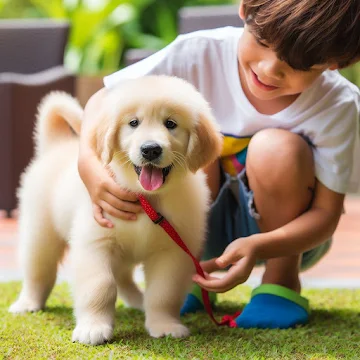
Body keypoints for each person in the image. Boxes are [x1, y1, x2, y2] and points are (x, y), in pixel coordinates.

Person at [78, 0, 360, 329]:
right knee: (194, 147)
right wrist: (87, 163)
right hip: (190, 226)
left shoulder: (337, 104)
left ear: (334, 64)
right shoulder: (197, 53)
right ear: (245, 10)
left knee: (276, 149)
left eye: (299, 64)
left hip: (286, 236)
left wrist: (260, 245)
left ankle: (280, 282)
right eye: (264, 42)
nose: (270, 69)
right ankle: (190, 274)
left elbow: (325, 217)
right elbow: (104, 98)